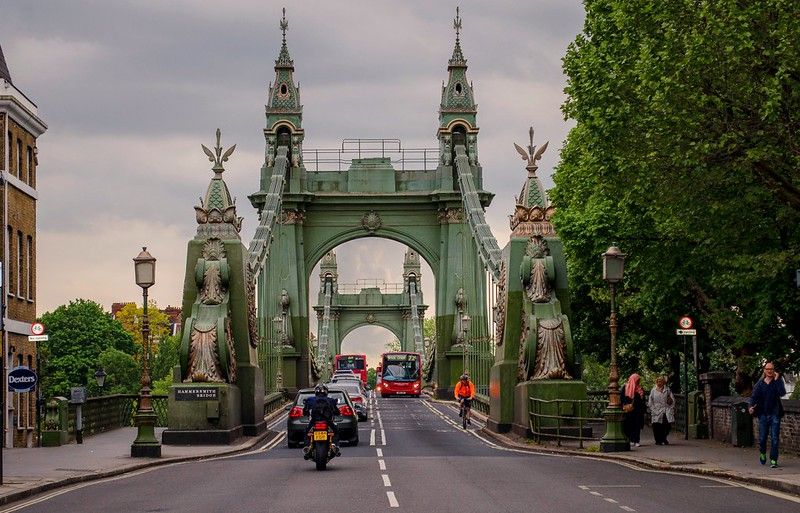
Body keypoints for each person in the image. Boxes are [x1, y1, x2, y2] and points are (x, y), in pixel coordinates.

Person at [748, 362, 786, 468]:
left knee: (775, 438)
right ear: (764, 370)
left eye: (772, 369)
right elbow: (753, 397)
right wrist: (750, 407)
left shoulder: (777, 382)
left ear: (774, 371)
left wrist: (778, 379)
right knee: (763, 438)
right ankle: (763, 452)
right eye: (768, 369)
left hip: (775, 414)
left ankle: (774, 460)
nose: (770, 371)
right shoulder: (759, 384)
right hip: (763, 414)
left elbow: (782, 393)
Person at [302, 384, 340, 458]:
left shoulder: (310, 399)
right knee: (336, 431)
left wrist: (306, 413)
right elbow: (337, 412)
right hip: (327, 421)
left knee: (307, 432)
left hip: (314, 421)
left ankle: (307, 446)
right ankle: (335, 445)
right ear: (326, 392)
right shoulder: (330, 400)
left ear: (315, 391)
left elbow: (305, 411)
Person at [648, 376, 675, 445]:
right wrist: (653, 409)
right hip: (656, 410)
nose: (659, 382)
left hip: (665, 410)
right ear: (656, 382)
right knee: (657, 426)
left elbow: (672, 399)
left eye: (661, 381)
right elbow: (650, 401)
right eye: (658, 381)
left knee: (666, 426)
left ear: (663, 382)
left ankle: (664, 438)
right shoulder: (653, 390)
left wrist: (670, 407)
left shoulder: (667, 390)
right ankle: (658, 440)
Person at [621, 373, 646, 447]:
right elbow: (622, 398)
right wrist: (626, 405)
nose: (638, 381)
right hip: (629, 411)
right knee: (628, 425)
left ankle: (636, 440)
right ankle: (630, 439)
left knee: (637, 425)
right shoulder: (625, 387)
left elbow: (642, 400)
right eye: (637, 380)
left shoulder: (640, 389)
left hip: (638, 411)